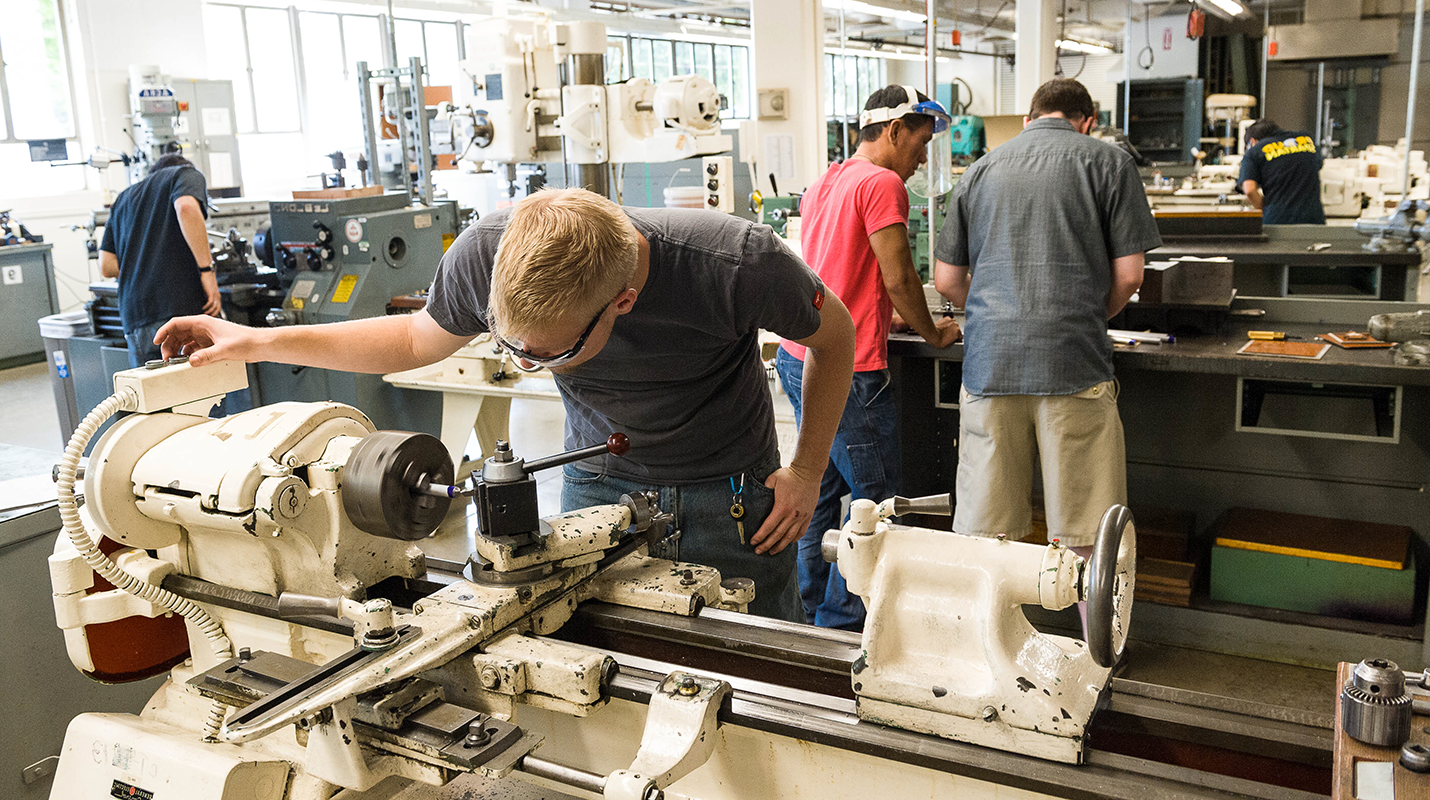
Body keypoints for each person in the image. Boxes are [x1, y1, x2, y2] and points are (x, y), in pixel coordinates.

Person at [155, 188, 855, 623]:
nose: (526, 366)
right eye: (510, 347)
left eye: (543, 357)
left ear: (624, 302)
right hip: (598, 484)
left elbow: (838, 336)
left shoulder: (735, 263)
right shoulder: (490, 250)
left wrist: (807, 469)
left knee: (758, 674)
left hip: (730, 496)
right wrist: (256, 342)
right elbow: (412, 336)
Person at [932, 78, 1160, 550]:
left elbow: (947, 281)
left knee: (987, 535)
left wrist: (997, 309)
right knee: (1086, 535)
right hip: (1072, 363)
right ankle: (1091, 626)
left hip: (990, 367)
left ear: (1027, 120)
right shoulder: (1110, 163)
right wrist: (1085, 314)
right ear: (1088, 122)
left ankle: (992, 625)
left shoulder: (977, 171)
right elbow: (1131, 276)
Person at [776, 85, 960, 631]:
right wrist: (932, 331)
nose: (923, 157)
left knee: (821, 488)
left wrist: (885, 315)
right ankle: (844, 620)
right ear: (895, 130)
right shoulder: (883, 184)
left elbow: (841, 271)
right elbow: (900, 276)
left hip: (798, 354)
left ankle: (808, 605)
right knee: (875, 499)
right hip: (850, 370)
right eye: (921, 143)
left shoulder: (826, 181)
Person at [99, 153, 222, 367]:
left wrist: (144, 265)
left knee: (153, 394)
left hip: (136, 315)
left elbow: (107, 266)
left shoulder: (123, 198)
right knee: (200, 392)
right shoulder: (184, 174)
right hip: (179, 308)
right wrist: (206, 271)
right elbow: (186, 207)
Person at [1237, 118, 1326, 225]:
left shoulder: (1254, 151)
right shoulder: (1307, 140)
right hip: (1313, 220)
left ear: (1252, 142)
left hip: (1278, 222)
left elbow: (1249, 189)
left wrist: (1265, 209)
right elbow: (1317, 165)